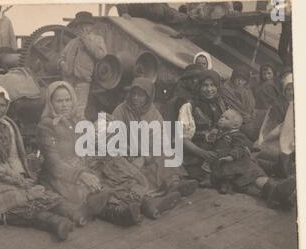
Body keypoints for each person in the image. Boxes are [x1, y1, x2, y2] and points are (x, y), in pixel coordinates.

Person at [0, 85, 75, 241]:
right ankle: (51, 221)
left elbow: (13, 158)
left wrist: (20, 179)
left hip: (3, 175)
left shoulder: (6, 125)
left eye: (3, 105)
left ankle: (71, 212)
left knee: (31, 190)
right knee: (6, 198)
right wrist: (9, 179)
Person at [37, 81, 146, 227]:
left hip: (82, 165)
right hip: (59, 175)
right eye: (59, 101)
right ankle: (119, 213)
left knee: (113, 175)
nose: (64, 105)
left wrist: (100, 128)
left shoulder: (75, 120)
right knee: (87, 191)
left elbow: (90, 145)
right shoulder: (46, 126)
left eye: (68, 100)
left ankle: (137, 205)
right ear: (50, 103)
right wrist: (81, 174)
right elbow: (54, 163)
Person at [112, 77, 198, 219]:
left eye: (140, 95)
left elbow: (160, 137)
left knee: (165, 154)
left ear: (148, 97)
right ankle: (161, 195)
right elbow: (113, 136)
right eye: (133, 94)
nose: (135, 98)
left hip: (149, 153)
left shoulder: (153, 113)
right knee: (128, 171)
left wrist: (146, 155)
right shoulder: (121, 110)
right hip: (128, 154)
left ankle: (174, 185)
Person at [207, 109, 295, 209]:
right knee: (252, 173)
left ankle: (276, 190)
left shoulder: (235, 136)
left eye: (226, 118)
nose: (221, 119)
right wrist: (210, 137)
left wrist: (232, 156)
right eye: (221, 117)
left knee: (253, 174)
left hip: (233, 164)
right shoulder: (222, 133)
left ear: (234, 125)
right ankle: (277, 190)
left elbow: (240, 146)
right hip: (229, 167)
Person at [179, 70, 228, 184]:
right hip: (196, 150)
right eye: (205, 85)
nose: (209, 89)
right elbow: (183, 139)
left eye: (213, 85)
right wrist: (203, 153)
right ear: (199, 86)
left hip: (218, 148)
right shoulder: (189, 106)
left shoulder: (222, 104)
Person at [58, 11, 107, 119]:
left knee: (78, 112)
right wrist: (63, 64)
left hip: (82, 81)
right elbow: (61, 56)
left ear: (91, 26)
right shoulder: (72, 42)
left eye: (85, 25)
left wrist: (86, 40)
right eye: (80, 25)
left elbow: (101, 55)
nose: (82, 28)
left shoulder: (97, 39)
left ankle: (79, 133)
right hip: (68, 80)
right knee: (67, 111)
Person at [220, 66, 261, 141]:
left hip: (248, 119)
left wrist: (250, 116)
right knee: (250, 132)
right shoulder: (226, 89)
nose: (240, 82)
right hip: (232, 121)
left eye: (243, 80)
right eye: (237, 79)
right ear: (233, 78)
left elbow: (251, 107)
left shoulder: (247, 90)